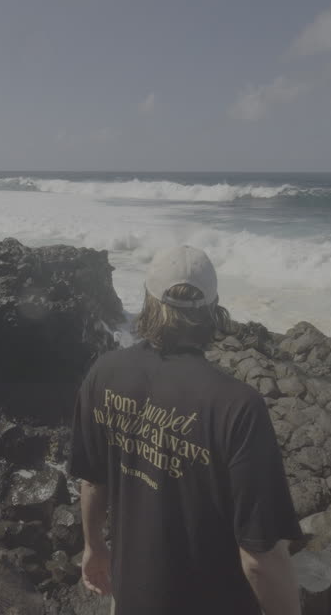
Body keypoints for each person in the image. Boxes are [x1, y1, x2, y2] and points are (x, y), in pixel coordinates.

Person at [69, 245, 302, 615]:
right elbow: (259, 557)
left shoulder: (104, 373)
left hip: (131, 599)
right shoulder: (237, 407)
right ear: (213, 308)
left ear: (147, 299)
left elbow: (92, 480)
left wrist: (93, 546)